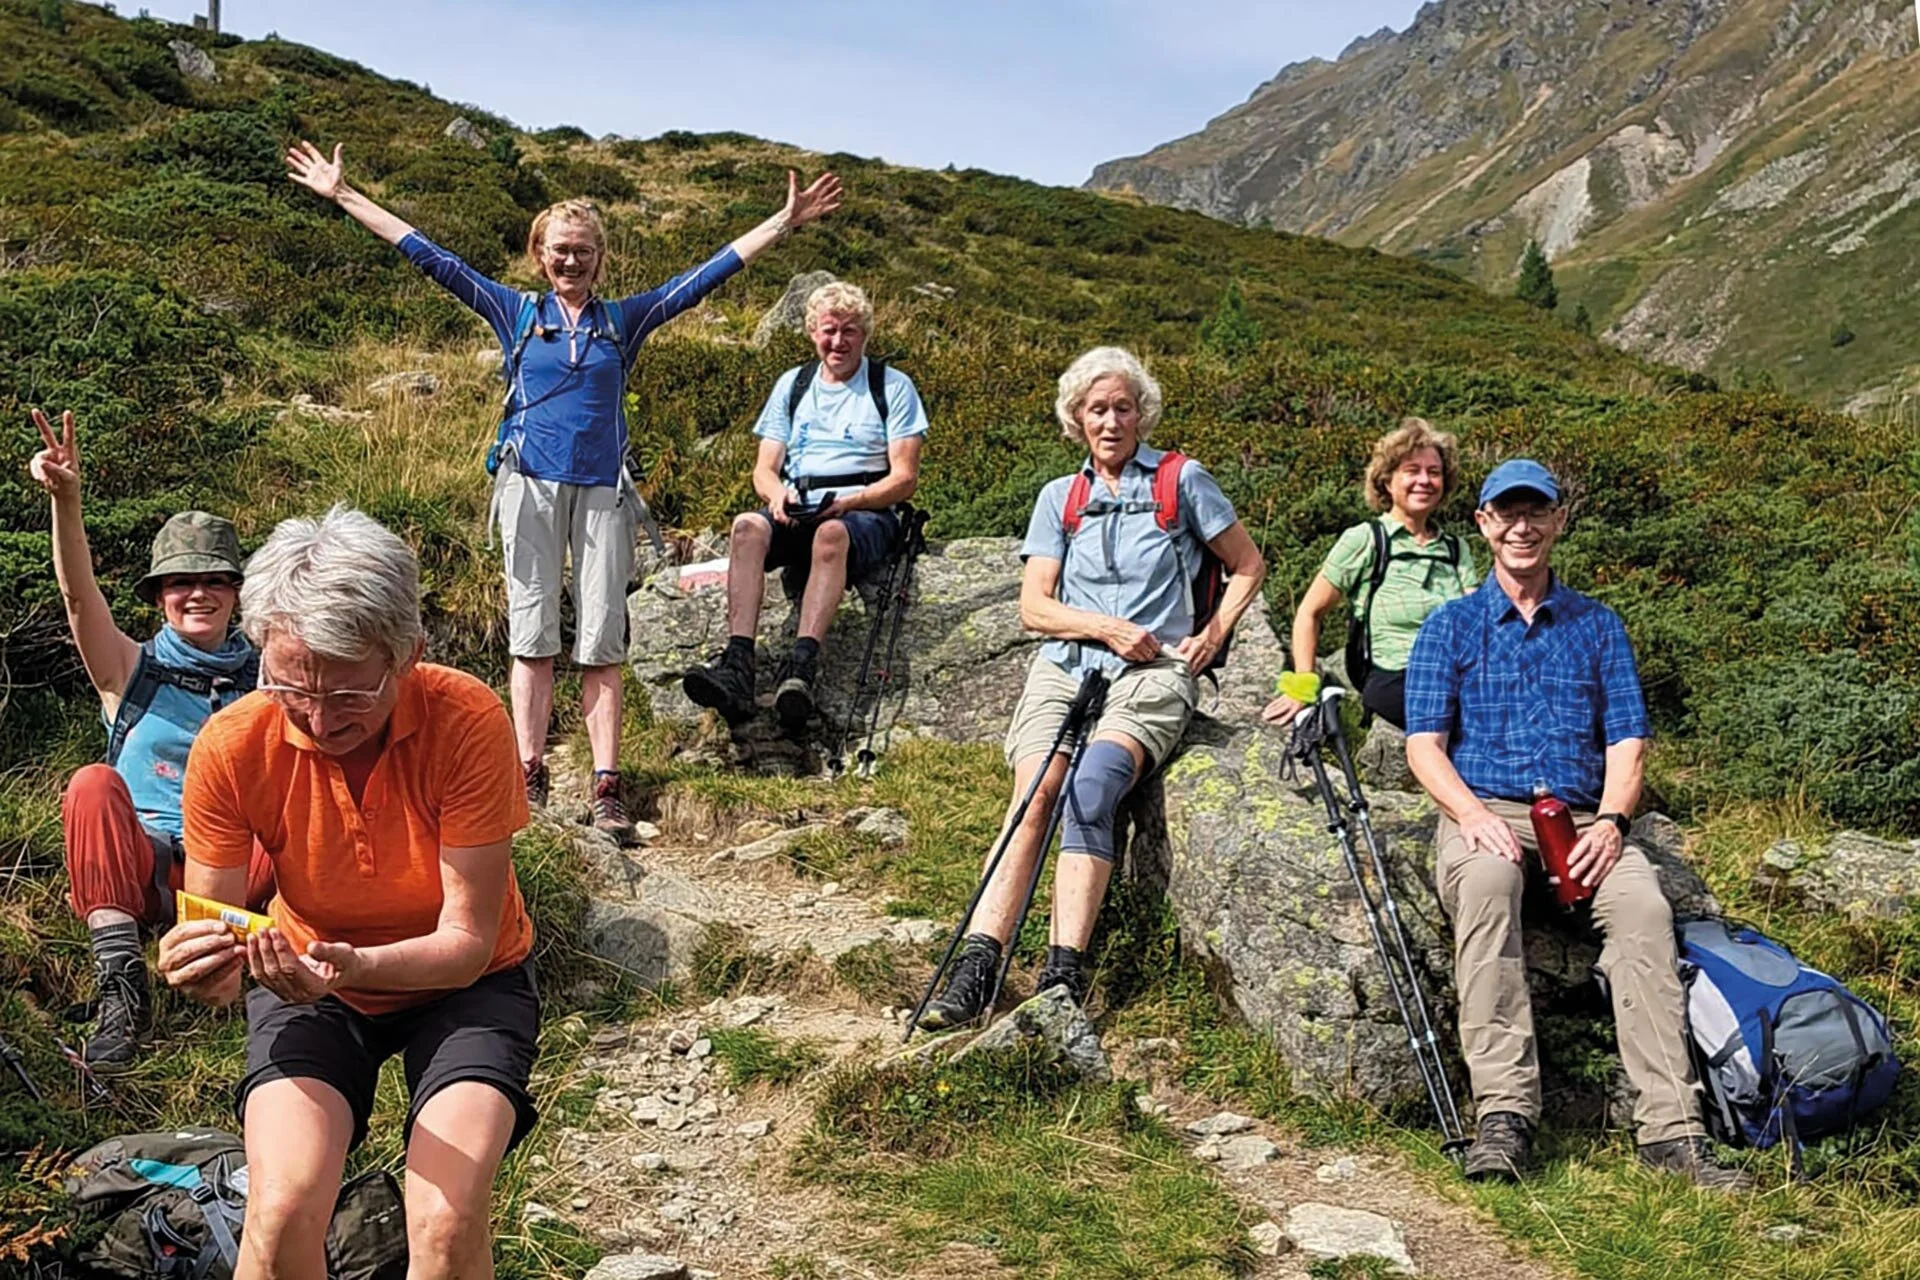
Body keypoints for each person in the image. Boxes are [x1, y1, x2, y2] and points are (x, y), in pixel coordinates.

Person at [285, 139, 842, 832]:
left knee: (604, 640)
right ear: (539, 255)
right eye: (558, 249)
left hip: (604, 491)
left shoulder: (624, 320)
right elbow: (426, 254)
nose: (570, 260)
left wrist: (780, 225)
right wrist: (343, 194)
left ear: (600, 257)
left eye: (582, 249)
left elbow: (706, 277)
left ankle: (607, 784)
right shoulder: (516, 313)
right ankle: (528, 774)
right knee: (533, 635)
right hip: (529, 486)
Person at [156, 505, 538, 1279]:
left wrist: (351, 965)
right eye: (293, 687)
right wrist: (207, 964)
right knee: (281, 1209)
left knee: (446, 1218)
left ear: (410, 656)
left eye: (353, 696)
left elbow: (465, 942)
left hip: (467, 982)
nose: (322, 720)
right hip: (308, 982)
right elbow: (220, 940)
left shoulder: (467, 719)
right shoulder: (233, 747)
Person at [1402, 459, 1749, 1191]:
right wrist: (1468, 815)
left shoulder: (1599, 626)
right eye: (1508, 513)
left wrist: (1615, 824)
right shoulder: (1450, 626)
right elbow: (1423, 745)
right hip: (1487, 811)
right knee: (1489, 887)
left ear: (1559, 521)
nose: (1523, 526)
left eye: (1538, 513)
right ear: (1485, 525)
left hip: (1588, 818)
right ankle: (1504, 1116)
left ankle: (1673, 1134)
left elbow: (1627, 743)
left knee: (1645, 908)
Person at [917, 348, 1266, 1028]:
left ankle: (1062, 974)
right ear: (1076, 419)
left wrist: (1214, 633)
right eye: (1097, 409)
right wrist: (1106, 627)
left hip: (1156, 671)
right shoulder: (1061, 498)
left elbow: (1247, 563)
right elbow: (1034, 607)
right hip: (1068, 663)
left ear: (1143, 414)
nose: (1111, 421)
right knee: (1035, 792)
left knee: (1093, 785)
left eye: (1123, 408)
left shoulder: (1181, 480)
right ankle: (977, 965)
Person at [27, 408, 273, 1071]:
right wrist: (66, 501)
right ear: (160, 595)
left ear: (236, 591)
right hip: (145, 870)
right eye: (180, 582)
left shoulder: (269, 679)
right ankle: (120, 991)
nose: (197, 593)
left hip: (236, 877)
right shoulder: (128, 670)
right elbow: (79, 599)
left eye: (213, 579)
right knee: (92, 785)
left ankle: (285, 974)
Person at [680, 281, 928, 732]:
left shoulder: (892, 387)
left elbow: (904, 478)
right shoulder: (792, 385)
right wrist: (777, 496)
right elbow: (764, 469)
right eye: (829, 330)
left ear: (865, 335)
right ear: (812, 331)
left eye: (849, 331)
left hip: (864, 508)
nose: (838, 342)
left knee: (832, 535)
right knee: (746, 529)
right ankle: (738, 662)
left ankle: (801, 665)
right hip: (799, 504)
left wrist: (851, 502)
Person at [1262, 418, 1475, 731]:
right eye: (1412, 471)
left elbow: (1477, 621)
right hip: (1396, 677)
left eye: (1434, 472)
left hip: (1454, 676)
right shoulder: (1367, 539)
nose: (1424, 480)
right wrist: (1302, 688)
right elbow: (1309, 613)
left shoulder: (1456, 549)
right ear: (1387, 481)